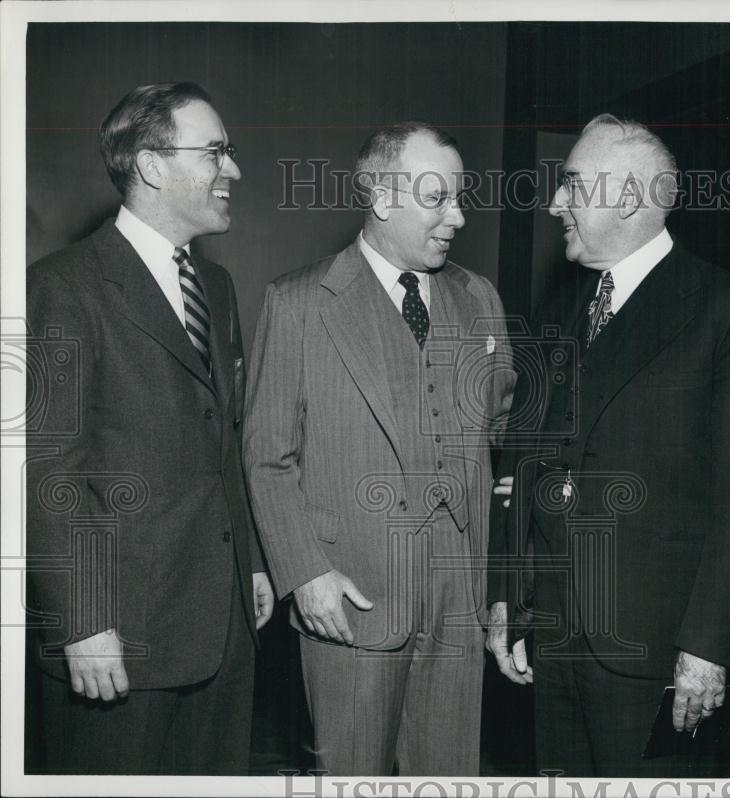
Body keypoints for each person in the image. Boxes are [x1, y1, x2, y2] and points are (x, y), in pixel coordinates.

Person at [486, 113, 730, 776]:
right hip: (555, 640)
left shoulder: (729, 309)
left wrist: (708, 648)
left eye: (571, 186)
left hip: (657, 655)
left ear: (626, 198)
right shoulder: (559, 310)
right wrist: (508, 596)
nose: (553, 203)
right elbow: (522, 462)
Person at [243, 123, 514, 776]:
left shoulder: (479, 299)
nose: (459, 215)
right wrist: (305, 573)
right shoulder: (300, 302)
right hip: (351, 598)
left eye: (460, 197)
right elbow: (267, 455)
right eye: (438, 198)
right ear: (383, 197)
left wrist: (497, 586)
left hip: (458, 600)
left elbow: (499, 434)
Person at [26, 82, 274, 775]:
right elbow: (45, 468)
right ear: (153, 166)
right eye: (217, 152)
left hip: (221, 631)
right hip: (117, 639)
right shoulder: (62, 287)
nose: (234, 171)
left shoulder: (215, 290)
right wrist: (81, 619)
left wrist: (249, 561)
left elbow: (221, 436)